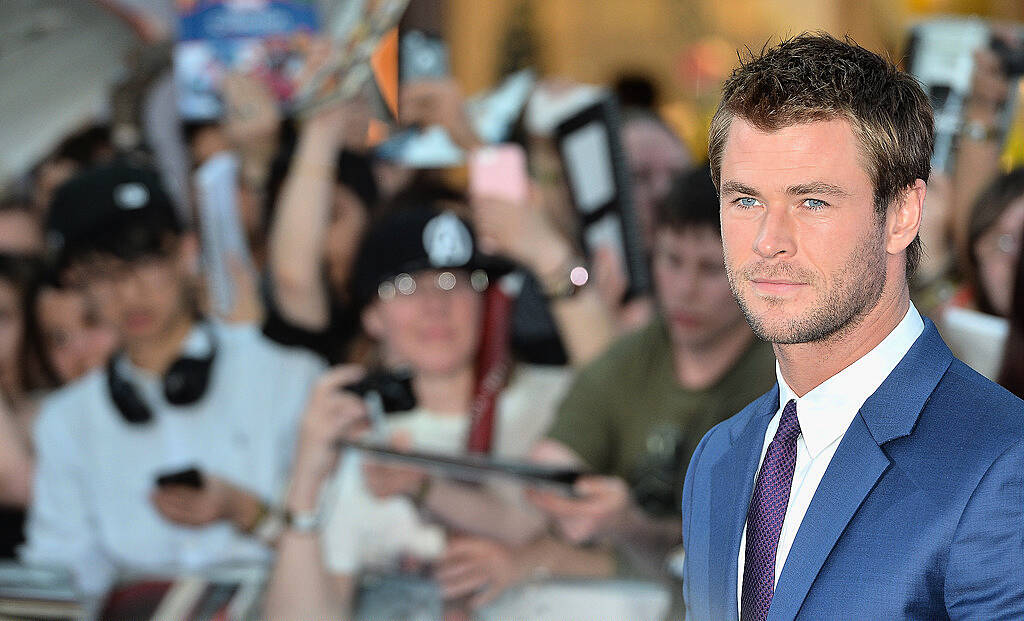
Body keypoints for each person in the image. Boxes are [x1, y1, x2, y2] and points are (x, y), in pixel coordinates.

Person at [681, 33, 1024, 620]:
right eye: (745, 200)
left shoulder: (1002, 463)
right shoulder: (719, 459)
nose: (769, 242)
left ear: (902, 215)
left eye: (812, 202)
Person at [263, 202, 611, 620]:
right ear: (372, 315)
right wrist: (305, 485)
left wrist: (557, 262)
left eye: (453, 282)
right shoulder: (353, 429)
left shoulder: (557, 399)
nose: (434, 305)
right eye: (406, 286)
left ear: (488, 301)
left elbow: (629, 544)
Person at [21, 162, 323, 597]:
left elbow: (347, 542)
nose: (128, 293)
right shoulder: (66, 423)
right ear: (77, 286)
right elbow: (62, 571)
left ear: (186, 252)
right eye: (100, 275)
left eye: (143, 263)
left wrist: (247, 512)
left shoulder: (287, 376)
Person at [526, 166, 776, 612]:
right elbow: (549, 469)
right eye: (671, 260)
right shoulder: (632, 358)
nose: (684, 289)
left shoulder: (783, 378)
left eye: (710, 269)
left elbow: (740, 561)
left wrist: (630, 525)